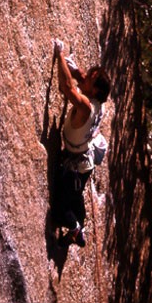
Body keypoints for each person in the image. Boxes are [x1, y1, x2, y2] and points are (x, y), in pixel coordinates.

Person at [53, 39, 110, 247]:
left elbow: (68, 89)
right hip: (84, 164)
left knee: (60, 209)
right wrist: (76, 71)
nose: (84, 78)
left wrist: (59, 55)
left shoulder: (87, 108)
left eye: (90, 79)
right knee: (75, 200)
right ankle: (80, 225)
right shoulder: (99, 104)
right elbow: (82, 79)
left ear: (94, 91)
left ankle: (75, 230)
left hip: (75, 167)